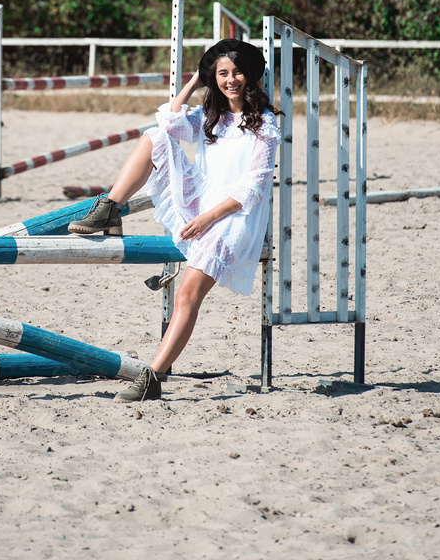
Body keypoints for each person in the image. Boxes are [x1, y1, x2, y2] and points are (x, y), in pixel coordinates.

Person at [68, 38, 281, 403]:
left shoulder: (264, 123)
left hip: (234, 216)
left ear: (251, 74)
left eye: (237, 72)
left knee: (186, 293)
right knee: (154, 136)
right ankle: (111, 207)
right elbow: (169, 121)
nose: (231, 80)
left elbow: (254, 188)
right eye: (222, 74)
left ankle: (154, 376)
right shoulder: (209, 117)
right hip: (203, 200)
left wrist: (206, 219)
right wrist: (193, 82)